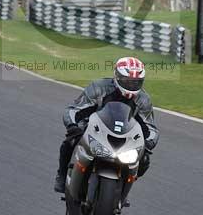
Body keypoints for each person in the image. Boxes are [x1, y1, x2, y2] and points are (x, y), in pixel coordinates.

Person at [54, 56, 159, 193]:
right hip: (94, 130)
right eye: (127, 80)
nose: (131, 85)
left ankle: (122, 188)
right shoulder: (99, 87)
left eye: (136, 82)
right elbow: (74, 109)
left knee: (144, 159)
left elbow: (150, 127)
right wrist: (73, 126)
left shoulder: (143, 100)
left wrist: (148, 142)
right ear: (117, 76)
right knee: (70, 141)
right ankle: (62, 176)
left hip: (126, 137)